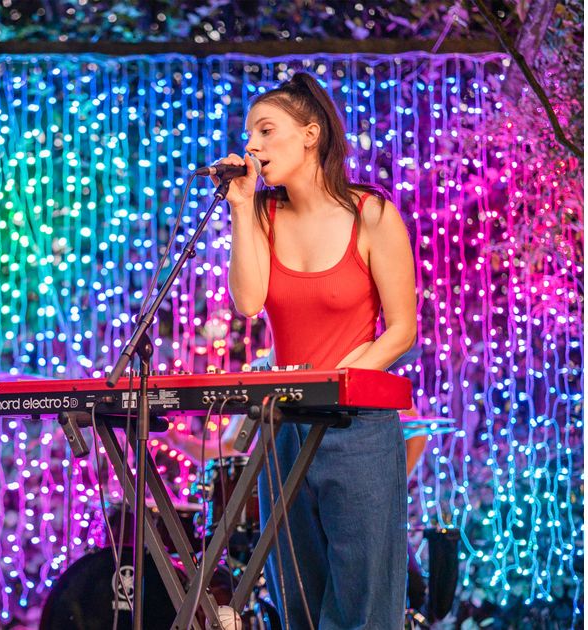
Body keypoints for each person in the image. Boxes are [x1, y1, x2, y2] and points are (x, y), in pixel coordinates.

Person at [215, 71, 418, 630]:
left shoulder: (371, 214)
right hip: (284, 425)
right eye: (248, 134)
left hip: (357, 423)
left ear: (310, 135)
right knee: (297, 594)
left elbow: (402, 329)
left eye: (265, 130)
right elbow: (248, 301)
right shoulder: (262, 214)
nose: (251, 145)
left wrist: (340, 382)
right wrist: (240, 207)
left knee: (363, 600)